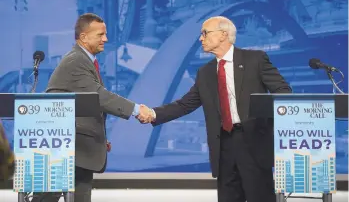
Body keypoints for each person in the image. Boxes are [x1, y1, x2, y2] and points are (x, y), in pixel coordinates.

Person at [138, 16, 292, 202]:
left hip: (253, 143)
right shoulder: (205, 72)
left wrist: (264, 122)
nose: (201, 38)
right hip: (223, 146)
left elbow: (283, 92)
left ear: (223, 35)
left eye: (205, 33)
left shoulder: (255, 59)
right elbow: (185, 104)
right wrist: (153, 114)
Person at [32, 13, 153, 202]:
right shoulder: (76, 61)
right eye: (100, 35)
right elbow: (99, 97)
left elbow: (85, 104)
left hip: (77, 149)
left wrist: (99, 138)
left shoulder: (84, 60)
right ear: (83, 37)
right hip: (65, 151)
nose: (105, 39)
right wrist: (137, 110)